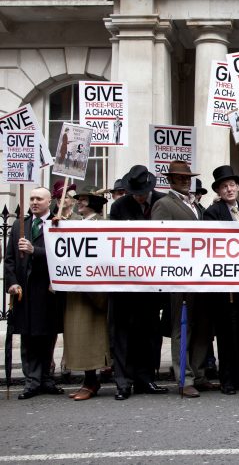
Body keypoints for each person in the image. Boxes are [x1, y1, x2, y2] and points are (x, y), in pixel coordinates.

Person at [151, 160, 214, 398]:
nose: (185, 181)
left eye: (187, 178)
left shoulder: (197, 206)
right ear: (170, 181)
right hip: (180, 275)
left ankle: (198, 373)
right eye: (180, 178)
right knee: (182, 327)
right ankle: (183, 377)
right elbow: (158, 239)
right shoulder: (164, 205)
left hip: (202, 276)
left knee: (202, 326)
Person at [107, 165, 168, 400]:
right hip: (124, 284)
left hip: (152, 284)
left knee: (149, 333)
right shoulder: (119, 206)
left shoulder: (163, 202)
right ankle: (123, 381)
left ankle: (146, 378)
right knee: (122, 335)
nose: (138, 197)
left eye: (141, 192)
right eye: (134, 193)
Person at [5, 187, 65, 399]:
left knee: (47, 336)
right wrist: (11, 283)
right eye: (31, 198)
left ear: (49, 201)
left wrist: (35, 251)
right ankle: (31, 381)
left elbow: (62, 256)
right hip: (25, 291)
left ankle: (47, 379)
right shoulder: (19, 225)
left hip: (47, 290)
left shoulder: (58, 225)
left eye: (39, 198)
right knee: (28, 338)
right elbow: (10, 258)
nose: (34, 202)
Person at [202, 165, 239, 395]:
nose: (229, 189)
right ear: (218, 191)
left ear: (238, 187)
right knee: (225, 333)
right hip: (223, 285)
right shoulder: (212, 213)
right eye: (224, 186)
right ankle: (227, 380)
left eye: (232, 185)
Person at [63, 187, 111, 400]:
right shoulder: (72, 224)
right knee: (78, 335)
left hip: (94, 287)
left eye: (82, 200)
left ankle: (92, 379)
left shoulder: (102, 224)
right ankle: (88, 378)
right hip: (76, 287)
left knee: (94, 335)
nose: (79, 203)